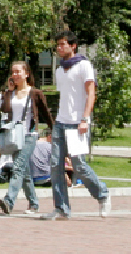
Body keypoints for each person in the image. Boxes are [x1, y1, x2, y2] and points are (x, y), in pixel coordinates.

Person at [45, 31, 110, 220]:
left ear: (73, 46)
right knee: (56, 165)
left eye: (63, 44)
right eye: (57, 44)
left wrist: (85, 119)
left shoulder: (84, 65)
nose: (59, 48)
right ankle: (62, 208)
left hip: (77, 124)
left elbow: (91, 93)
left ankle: (103, 194)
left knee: (79, 165)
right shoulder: (59, 70)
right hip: (61, 122)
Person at [0, 61, 53, 216]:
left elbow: (46, 113)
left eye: (18, 72)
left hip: (30, 135)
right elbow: (3, 110)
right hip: (14, 136)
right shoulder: (9, 94)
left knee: (18, 167)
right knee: (24, 172)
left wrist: (53, 129)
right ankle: (34, 203)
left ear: (26, 73)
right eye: (13, 72)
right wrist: (8, 91)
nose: (15, 75)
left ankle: (9, 201)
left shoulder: (35, 93)